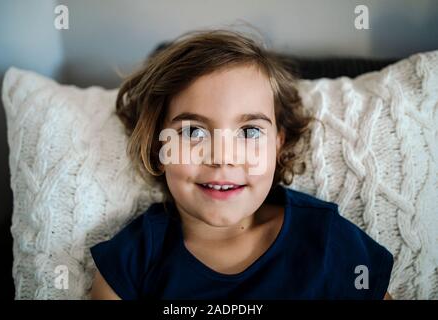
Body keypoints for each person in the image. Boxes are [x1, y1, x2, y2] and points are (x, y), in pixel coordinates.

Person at [89, 29, 394, 300]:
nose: (223, 157)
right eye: (193, 131)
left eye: (249, 132)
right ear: (158, 146)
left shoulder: (328, 240)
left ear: (278, 144)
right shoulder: (130, 263)